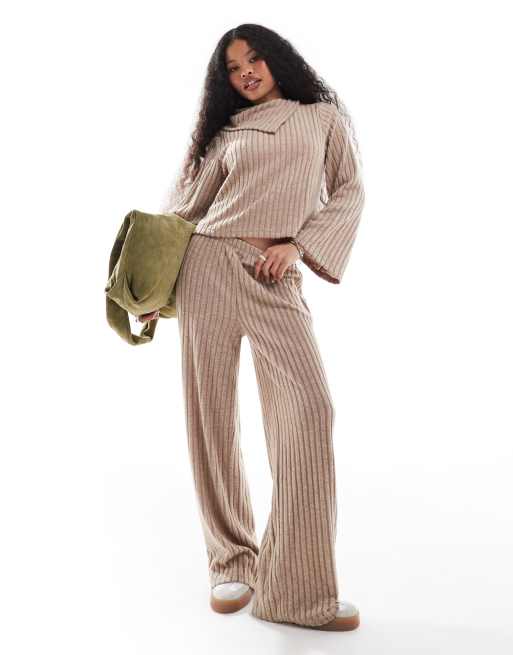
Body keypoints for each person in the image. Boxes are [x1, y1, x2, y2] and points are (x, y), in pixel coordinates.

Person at [144, 24, 365, 631]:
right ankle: (232, 560)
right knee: (210, 413)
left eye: (255, 58)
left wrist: (299, 246)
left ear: (277, 60)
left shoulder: (321, 118)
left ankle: (295, 588)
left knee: (309, 409)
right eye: (233, 66)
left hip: (274, 277)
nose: (245, 71)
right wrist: (153, 288)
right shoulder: (225, 133)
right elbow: (183, 209)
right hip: (208, 266)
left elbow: (349, 191)